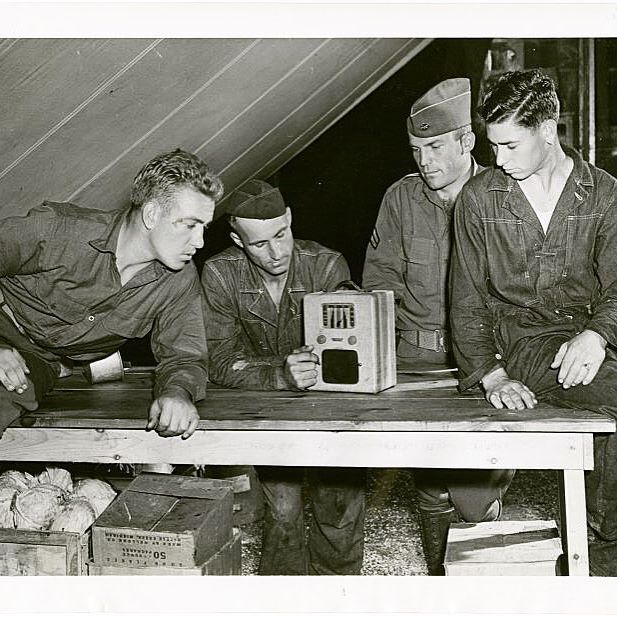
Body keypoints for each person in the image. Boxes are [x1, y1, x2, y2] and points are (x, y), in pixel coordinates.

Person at [450, 69, 617, 574]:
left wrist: (598, 333)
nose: (497, 159)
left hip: (592, 334)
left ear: (548, 129)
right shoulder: (479, 199)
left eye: (509, 145)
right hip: (525, 340)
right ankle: (602, 546)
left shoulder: (604, 192)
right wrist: (493, 374)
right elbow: (467, 298)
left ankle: (597, 544)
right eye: (492, 145)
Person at [362, 78, 514, 575]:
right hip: (418, 363)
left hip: (487, 363)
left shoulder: (504, 195)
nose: (423, 161)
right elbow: (380, 281)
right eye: (415, 150)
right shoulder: (401, 199)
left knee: (474, 493)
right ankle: (438, 585)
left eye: (433, 147)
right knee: (429, 482)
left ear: (467, 142)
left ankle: (482, 548)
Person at [0, 148, 223, 440]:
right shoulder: (59, 231)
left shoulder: (179, 280)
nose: (200, 241)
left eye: (203, 227)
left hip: (40, 359)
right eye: (191, 225)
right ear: (153, 214)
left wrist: (177, 394)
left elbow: (184, 356)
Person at [201, 179, 365, 575]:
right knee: (284, 510)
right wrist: (280, 373)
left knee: (337, 507)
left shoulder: (327, 265)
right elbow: (219, 360)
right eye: (259, 244)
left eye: (281, 234)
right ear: (238, 240)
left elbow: (353, 355)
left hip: (331, 410)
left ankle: (340, 597)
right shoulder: (220, 275)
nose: (276, 253)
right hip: (266, 409)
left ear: (290, 218)